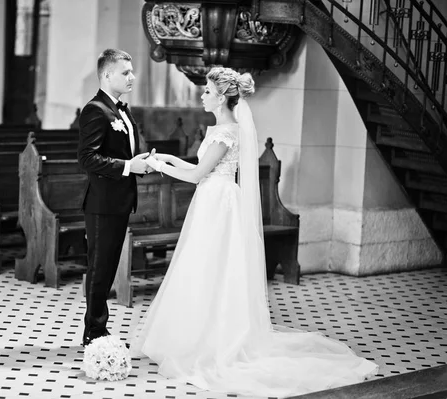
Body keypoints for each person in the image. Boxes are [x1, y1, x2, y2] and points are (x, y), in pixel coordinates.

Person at [134, 67, 378, 398]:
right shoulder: (220, 129)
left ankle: (213, 338)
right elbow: (198, 167)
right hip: (212, 197)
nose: (202, 95)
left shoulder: (226, 133)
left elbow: (196, 176)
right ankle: (194, 332)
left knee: (213, 268)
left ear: (220, 97)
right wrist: (166, 157)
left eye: (206, 91)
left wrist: (159, 166)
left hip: (217, 203)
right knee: (202, 267)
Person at [77, 49, 151, 347]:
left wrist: (142, 162)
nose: (132, 76)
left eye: (131, 71)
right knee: (100, 268)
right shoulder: (95, 110)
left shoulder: (122, 109)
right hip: (102, 203)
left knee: (107, 267)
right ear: (107, 75)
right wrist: (127, 167)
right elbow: (87, 158)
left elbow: (124, 152)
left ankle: (98, 329)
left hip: (120, 201)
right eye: (125, 72)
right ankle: (94, 331)